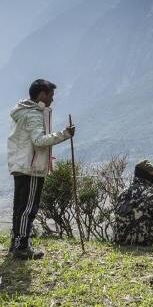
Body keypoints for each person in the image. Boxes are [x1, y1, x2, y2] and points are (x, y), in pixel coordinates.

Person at [7, 79, 76, 259]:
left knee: (19, 207)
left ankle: (16, 244)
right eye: (51, 95)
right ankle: (22, 247)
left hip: (20, 166)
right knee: (29, 208)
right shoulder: (34, 114)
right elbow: (39, 140)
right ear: (42, 94)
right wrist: (65, 134)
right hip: (32, 168)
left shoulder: (22, 112)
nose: (52, 100)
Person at [112, 160, 153, 246]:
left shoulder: (123, 192)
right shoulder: (151, 193)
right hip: (141, 241)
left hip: (119, 239)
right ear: (150, 176)